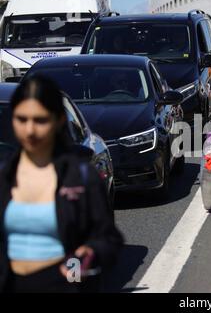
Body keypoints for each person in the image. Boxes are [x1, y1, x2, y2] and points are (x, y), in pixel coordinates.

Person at [0, 75, 123, 293]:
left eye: (40, 120)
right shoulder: (6, 177)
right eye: (22, 119)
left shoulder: (82, 177)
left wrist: (88, 255)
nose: (30, 130)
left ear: (58, 121)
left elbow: (108, 238)